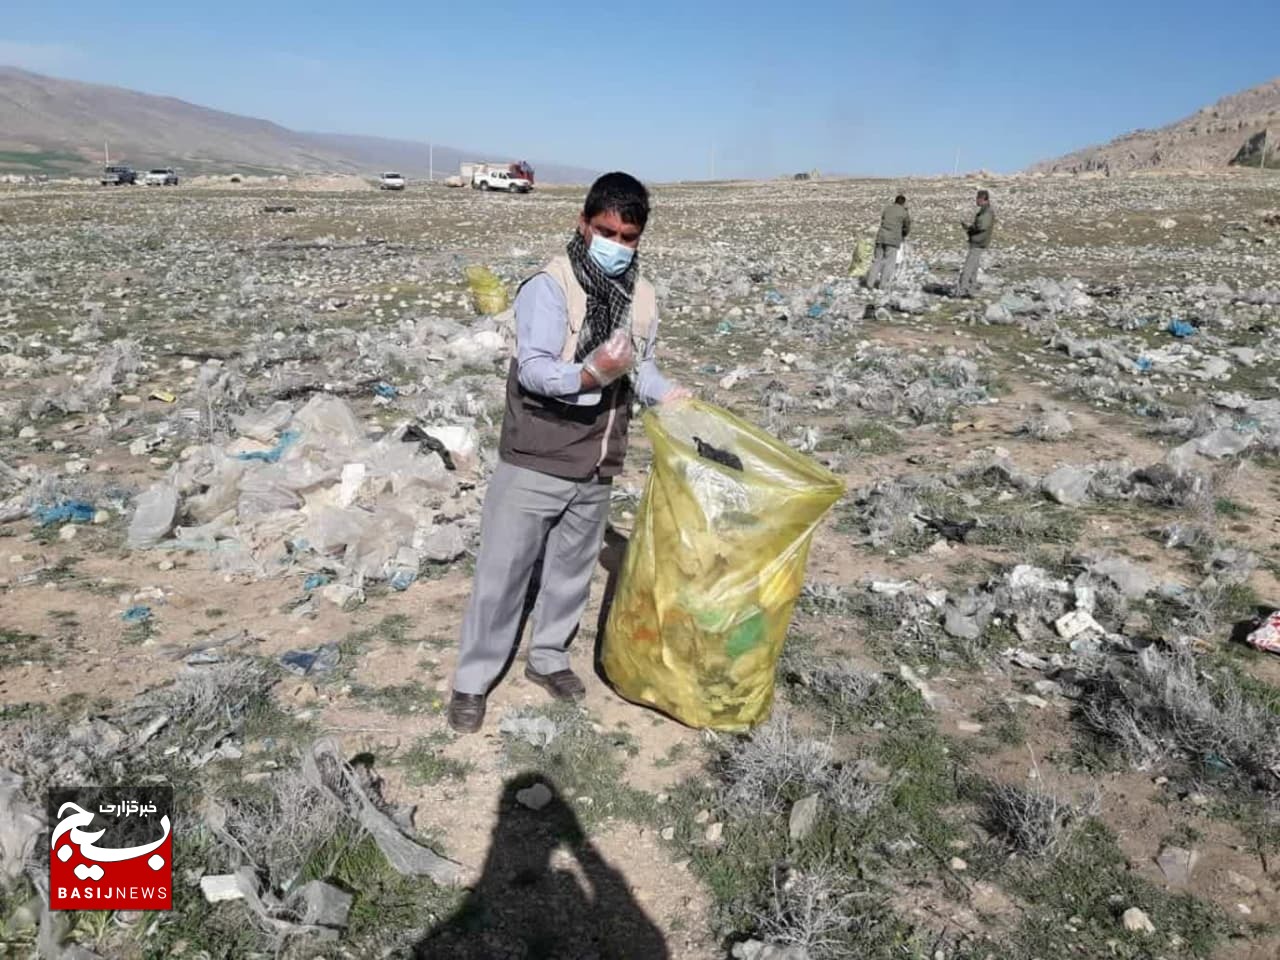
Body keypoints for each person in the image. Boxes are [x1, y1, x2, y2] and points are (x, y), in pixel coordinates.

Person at [448, 172, 688, 734]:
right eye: (608, 231)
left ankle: (548, 658)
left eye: (630, 237)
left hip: (599, 456)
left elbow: (640, 366)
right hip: (539, 451)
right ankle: (473, 680)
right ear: (584, 224)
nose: (618, 246)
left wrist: (668, 394)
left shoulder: (642, 295)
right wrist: (587, 373)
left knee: (571, 572)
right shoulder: (550, 287)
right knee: (504, 574)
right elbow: (533, 369)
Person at [956, 189, 995, 298]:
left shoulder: (987, 212)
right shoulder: (984, 211)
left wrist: (971, 228)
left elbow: (982, 226)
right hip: (978, 241)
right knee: (973, 267)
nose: (976, 201)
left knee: (968, 267)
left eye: (977, 199)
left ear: (982, 199)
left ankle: (963, 290)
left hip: (978, 242)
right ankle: (971, 290)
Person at [866, 194, 910, 290]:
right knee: (889, 262)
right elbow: (907, 226)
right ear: (903, 203)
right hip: (893, 240)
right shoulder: (904, 212)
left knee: (877, 261)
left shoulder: (887, 209)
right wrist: (903, 234)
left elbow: (883, 220)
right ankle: (882, 285)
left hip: (881, 237)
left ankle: (870, 284)